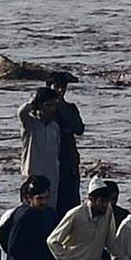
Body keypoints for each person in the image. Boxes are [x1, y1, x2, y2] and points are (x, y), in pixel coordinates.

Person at [19, 86, 64, 211]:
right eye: (48, 105)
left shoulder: (54, 127)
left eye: (54, 105)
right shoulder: (30, 123)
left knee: (49, 213)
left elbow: (57, 152)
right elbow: (22, 111)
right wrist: (34, 102)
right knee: (29, 211)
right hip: (32, 174)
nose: (52, 109)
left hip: (52, 177)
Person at [48, 70, 85, 210]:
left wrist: (61, 106)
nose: (60, 90)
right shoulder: (44, 110)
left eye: (63, 87)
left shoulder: (69, 108)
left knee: (70, 199)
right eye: (57, 86)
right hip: (50, 157)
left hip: (68, 158)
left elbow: (79, 128)